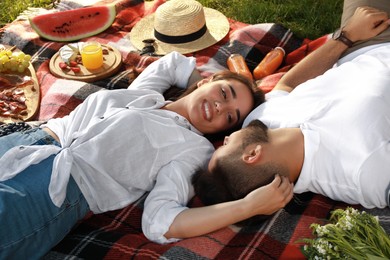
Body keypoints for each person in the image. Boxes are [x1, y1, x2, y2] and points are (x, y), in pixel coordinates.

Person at [0, 49, 296, 258]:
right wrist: (200, 83)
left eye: (231, 117)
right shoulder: (148, 94)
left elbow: (161, 222)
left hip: (49, 192)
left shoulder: (193, 150)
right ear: (207, 81)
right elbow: (172, 64)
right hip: (27, 140)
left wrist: (247, 206)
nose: (221, 108)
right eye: (223, 93)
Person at [193, 1, 390, 210]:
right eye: (225, 146)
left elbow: (287, 84)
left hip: (365, 44)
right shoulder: (363, 174)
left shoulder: (259, 122)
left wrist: (347, 36)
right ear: (252, 154)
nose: (225, 138)